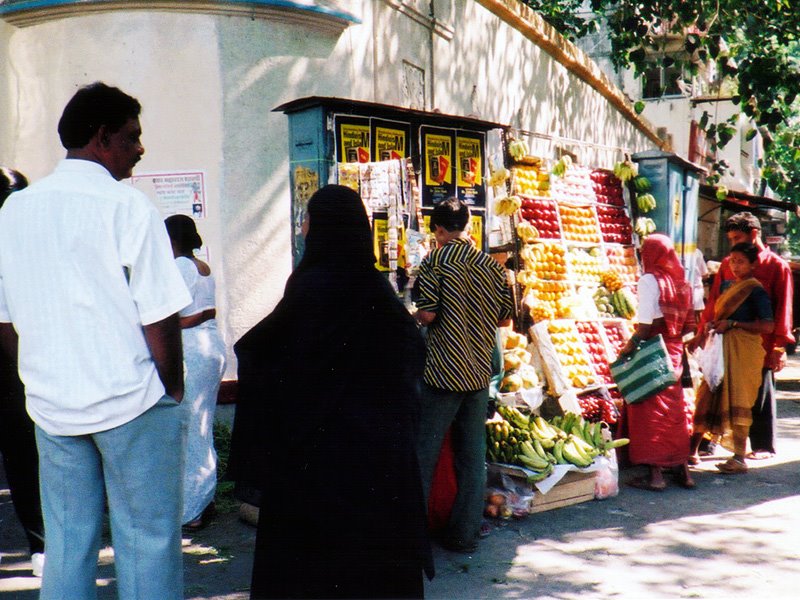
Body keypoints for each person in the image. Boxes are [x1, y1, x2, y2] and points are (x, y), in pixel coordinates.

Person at [0, 83, 191, 599]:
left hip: (52, 405)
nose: (140, 149)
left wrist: (39, 375)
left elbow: (5, 321)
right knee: (147, 540)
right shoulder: (127, 206)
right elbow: (159, 316)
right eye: (132, 137)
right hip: (132, 399)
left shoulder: (14, 211)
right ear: (102, 138)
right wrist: (171, 388)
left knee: (66, 543)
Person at [229, 184, 433, 599]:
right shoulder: (378, 293)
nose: (303, 230)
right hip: (377, 470)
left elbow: (264, 352)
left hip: (313, 469)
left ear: (320, 229)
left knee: (312, 573)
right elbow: (409, 359)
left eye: (306, 221)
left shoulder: (309, 288)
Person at [414, 197, 513, 553]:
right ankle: (464, 534)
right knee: (472, 457)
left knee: (423, 454)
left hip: (442, 373)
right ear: (468, 225)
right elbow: (504, 319)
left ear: (438, 230)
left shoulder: (435, 262)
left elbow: (426, 315)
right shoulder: (491, 265)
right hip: (478, 374)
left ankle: (414, 539)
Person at [695, 212, 793, 460]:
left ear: (754, 234)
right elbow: (715, 303)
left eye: (737, 237)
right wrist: (702, 333)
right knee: (716, 389)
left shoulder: (776, 266)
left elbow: (783, 308)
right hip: (725, 342)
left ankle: (761, 446)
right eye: (730, 238)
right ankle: (708, 442)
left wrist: (778, 348)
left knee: (758, 394)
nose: (733, 243)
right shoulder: (729, 263)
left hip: (759, 343)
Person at [618, 233, 696, 491]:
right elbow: (688, 325)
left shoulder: (650, 280)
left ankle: (656, 475)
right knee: (674, 412)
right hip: (674, 350)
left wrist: (627, 348)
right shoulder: (682, 281)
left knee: (650, 410)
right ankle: (683, 471)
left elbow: (644, 325)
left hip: (653, 350)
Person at [689, 243, 774, 473]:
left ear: (753, 265)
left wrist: (734, 324)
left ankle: (738, 457)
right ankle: (693, 450)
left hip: (743, 353)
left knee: (738, 398)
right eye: (733, 260)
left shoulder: (756, 291)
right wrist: (709, 327)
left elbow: (767, 325)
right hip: (720, 351)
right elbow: (717, 314)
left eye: (741, 262)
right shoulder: (727, 285)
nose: (735, 266)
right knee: (707, 394)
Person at [165, 214, 227, 529]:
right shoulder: (203, 267)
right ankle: (205, 498)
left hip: (192, 352)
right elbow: (204, 312)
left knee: (191, 431)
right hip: (212, 349)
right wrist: (198, 316)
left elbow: (167, 315)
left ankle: (192, 510)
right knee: (201, 426)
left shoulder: (180, 267)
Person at [0, 167, 46, 576]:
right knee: (25, 463)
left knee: (24, 462)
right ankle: (40, 546)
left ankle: (40, 545)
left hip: (15, 373)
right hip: (15, 373)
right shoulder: (23, 244)